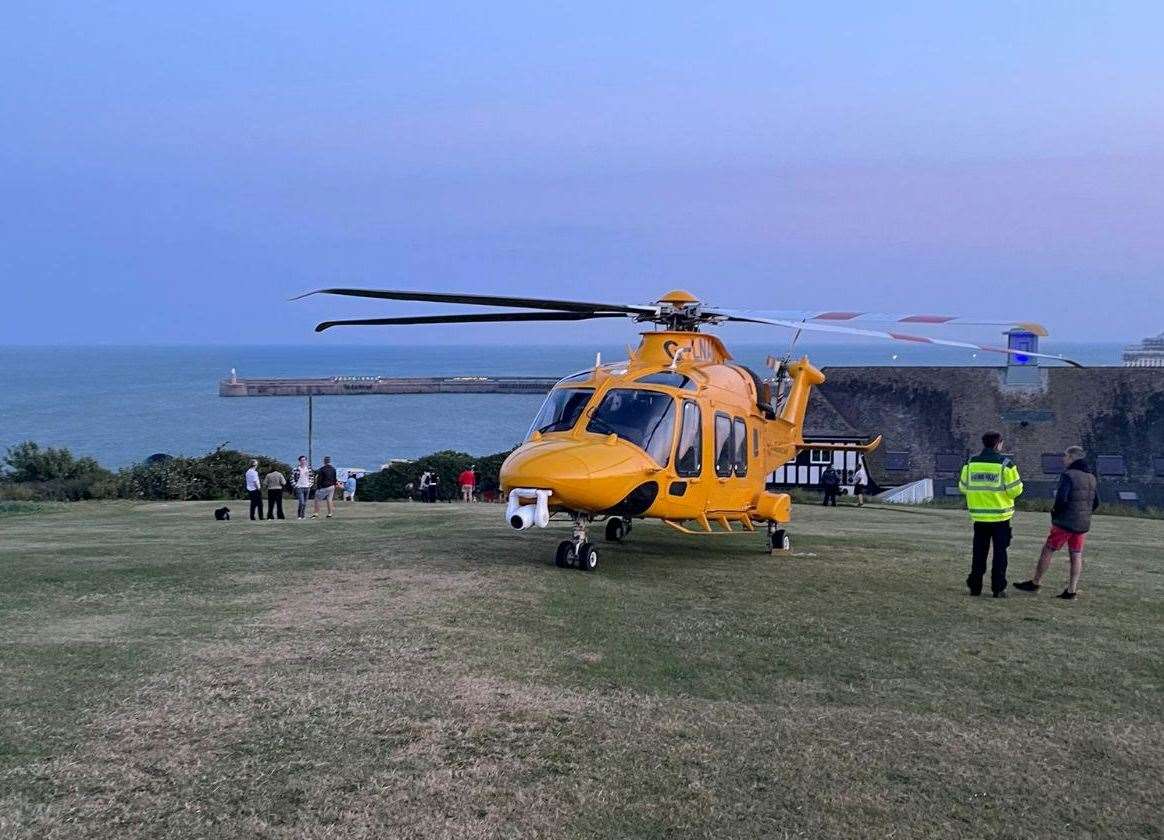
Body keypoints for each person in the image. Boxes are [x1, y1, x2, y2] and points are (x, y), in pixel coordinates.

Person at [1015, 446, 1099, 600]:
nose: (1063, 459)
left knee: (1048, 549)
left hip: (1066, 521)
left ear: (1073, 458)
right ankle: (1071, 590)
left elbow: (1061, 499)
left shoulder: (1068, 475)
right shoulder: (1091, 477)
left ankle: (1036, 582)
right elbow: (1096, 502)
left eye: (1066, 456)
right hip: (1082, 524)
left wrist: (1055, 512)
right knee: (1076, 554)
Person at [958, 431, 1024, 598]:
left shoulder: (971, 463)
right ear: (998, 444)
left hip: (979, 517)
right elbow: (1015, 490)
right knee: (1000, 553)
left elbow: (963, 487)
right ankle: (998, 587)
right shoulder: (1006, 464)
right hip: (1000, 517)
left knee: (979, 552)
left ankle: (975, 586)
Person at [291, 455, 314, 520]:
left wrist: (310, 484)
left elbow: (312, 477)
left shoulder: (309, 469)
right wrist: (295, 485)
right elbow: (292, 478)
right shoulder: (296, 469)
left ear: (306, 461)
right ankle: (299, 515)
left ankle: (303, 515)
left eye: (304, 460)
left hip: (307, 487)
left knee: (305, 503)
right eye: (301, 460)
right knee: (301, 502)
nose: (303, 461)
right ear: (299, 461)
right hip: (299, 487)